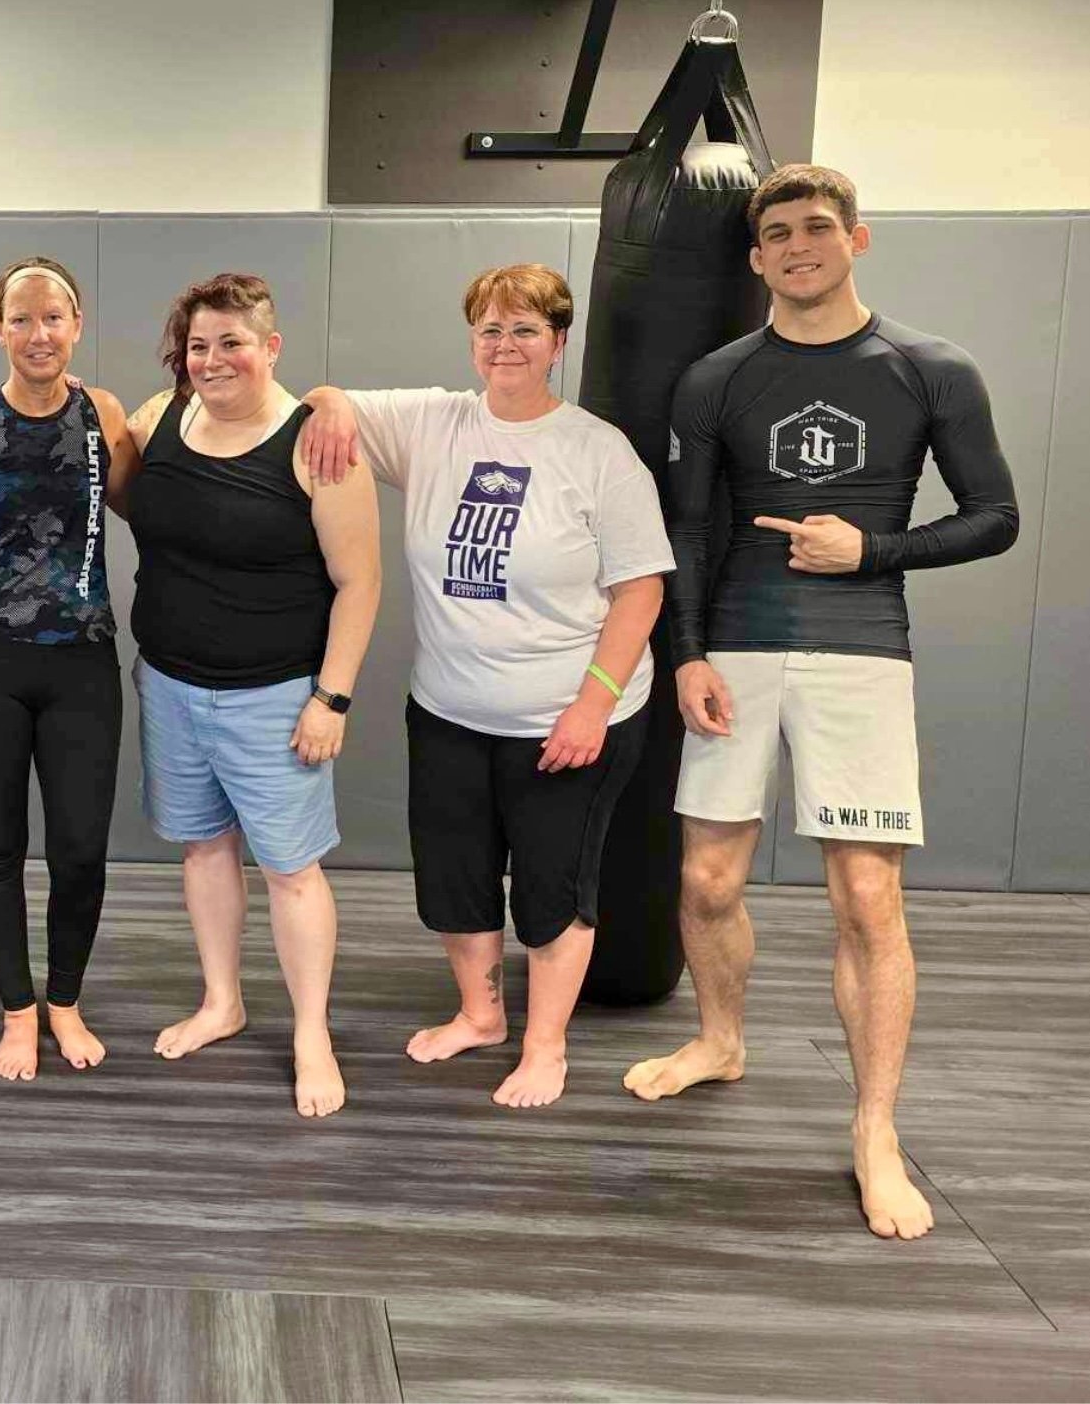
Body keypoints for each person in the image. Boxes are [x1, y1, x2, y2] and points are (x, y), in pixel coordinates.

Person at [623, 164, 1019, 1239]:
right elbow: (692, 531)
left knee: (864, 900)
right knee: (705, 879)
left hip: (857, 652)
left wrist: (872, 550)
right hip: (734, 649)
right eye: (777, 234)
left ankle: (873, 1129)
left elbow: (992, 516)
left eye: (815, 227)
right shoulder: (715, 378)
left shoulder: (928, 368)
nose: (797, 245)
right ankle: (718, 1039)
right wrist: (685, 655)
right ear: (753, 259)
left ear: (856, 238)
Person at [303, 263, 672, 1109]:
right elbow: (332, 399)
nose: (505, 346)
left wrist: (592, 705)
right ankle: (481, 1015)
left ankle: (546, 1048)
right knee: (455, 876)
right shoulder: (436, 423)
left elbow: (641, 590)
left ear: (558, 343)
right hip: (449, 711)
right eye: (490, 330)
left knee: (551, 888)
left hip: (569, 716)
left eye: (525, 330)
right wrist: (326, 401)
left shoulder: (596, 452)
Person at [123, 274, 381, 1119]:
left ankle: (312, 1032)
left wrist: (331, 700)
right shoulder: (159, 419)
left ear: (271, 347)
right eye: (199, 344)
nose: (213, 359)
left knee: (292, 872)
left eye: (232, 342)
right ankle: (222, 1001)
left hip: (275, 698)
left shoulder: (319, 446)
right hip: (167, 682)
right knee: (202, 850)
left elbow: (360, 583)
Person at [0, 257, 136, 1081]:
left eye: (54, 317)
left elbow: (149, 501)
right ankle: (16, 1009)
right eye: (21, 318)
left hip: (81, 664)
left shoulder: (101, 414)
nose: (38, 333)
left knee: (80, 848)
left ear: (76, 325)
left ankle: (65, 1001)